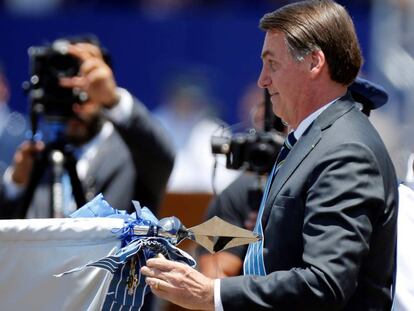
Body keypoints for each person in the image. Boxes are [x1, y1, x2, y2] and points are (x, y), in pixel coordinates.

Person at [140, 1, 398, 310]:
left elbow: (325, 282)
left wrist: (213, 294)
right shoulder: (315, 140)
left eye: (272, 64)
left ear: (315, 62)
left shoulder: (345, 150)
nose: (263, 80)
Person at [197, 76, 392, 279]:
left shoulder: (368, 176)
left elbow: (333, 279)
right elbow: (213, 285)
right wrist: (256, 237)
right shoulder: (243, 194)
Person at [0, 38, 175, 218]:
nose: (75, 105)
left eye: (83, 92)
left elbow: (162, 157)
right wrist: (15, 185)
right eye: (64, 90)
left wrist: (113, 100)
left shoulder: (132, 153)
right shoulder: (36, 156)